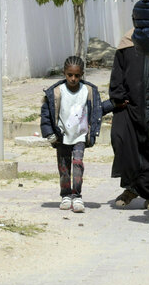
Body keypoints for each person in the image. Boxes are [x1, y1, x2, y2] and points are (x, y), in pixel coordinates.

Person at [40, 56, 112, 213]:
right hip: (62, 136)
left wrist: (115, 103)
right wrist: (49, 133)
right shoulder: (56, 92)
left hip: (80, 135)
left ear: (82, 74)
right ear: (64, 73)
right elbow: (46, 115)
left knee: (78, 163)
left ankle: (77, 196)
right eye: (69, 75)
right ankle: (65, 195)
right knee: (64, 167)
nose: (73, 79)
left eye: (77, 76)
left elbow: (98, 109)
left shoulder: (88, 91)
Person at [109, 29, 149, 211]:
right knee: (121, 140)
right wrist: (118, 96)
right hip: (128, 105)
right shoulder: (127, 43)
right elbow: (118, 72)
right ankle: (131, 188)